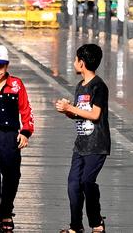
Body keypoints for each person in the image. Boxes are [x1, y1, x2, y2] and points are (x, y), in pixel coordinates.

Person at [0, 44, 34, 231]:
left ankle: (6, 211)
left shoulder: (17, 85)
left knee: (12, 175)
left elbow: (26, 110)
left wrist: (26, 132)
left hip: (11, 136)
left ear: (7, 66)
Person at [54, 43, 109, 233]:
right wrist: (67, 110)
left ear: (82, 62)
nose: (74, 63)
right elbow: (79, 114)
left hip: (97, 144)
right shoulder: (80, 86)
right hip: (81, 145)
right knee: (73, 184)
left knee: (87, 181)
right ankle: (75, 226)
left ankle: (96, 221)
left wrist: (71, 109)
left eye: (76, 59)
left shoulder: (99, 86)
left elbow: (94, 115)